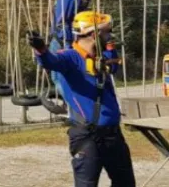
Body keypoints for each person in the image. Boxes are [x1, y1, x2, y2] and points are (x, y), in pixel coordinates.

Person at [28, 12, 134, 187]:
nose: (109, 37)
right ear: (94, 34)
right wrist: (40, 49)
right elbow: (50, 61)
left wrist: (109, 48)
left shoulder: (101, 57)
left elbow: (113, 64)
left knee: (126, 183)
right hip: (88, 136)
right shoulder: (70, 57)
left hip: (113, 135)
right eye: (107, 32)